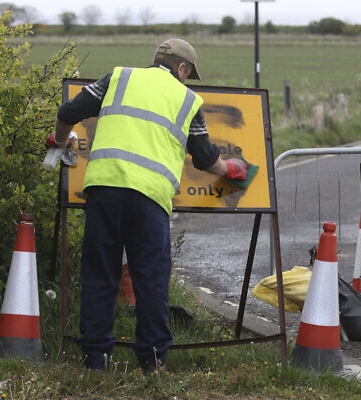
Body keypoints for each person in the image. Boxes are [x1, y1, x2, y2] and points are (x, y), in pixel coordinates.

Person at [45, 37, 248, 373]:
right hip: (149, 199)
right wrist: (231, 169)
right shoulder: (187, 99)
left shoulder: (119, 78)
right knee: (151, 280)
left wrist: (60, 140)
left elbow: (68, 112)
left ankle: (95, 360)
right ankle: (153, 362)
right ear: (182, 68)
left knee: (99, 275)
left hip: (104, 190)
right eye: (187, 73)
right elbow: (204, 157)